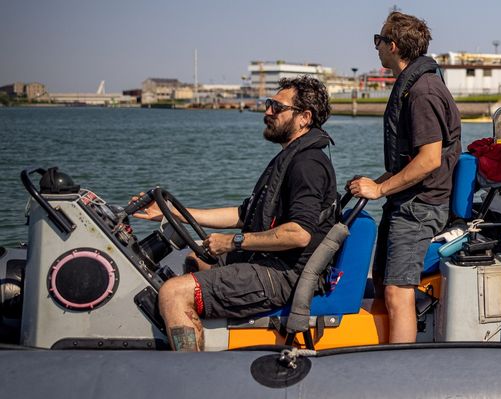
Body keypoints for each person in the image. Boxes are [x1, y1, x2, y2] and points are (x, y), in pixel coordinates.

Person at [142, 76, 338, 351]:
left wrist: (233, 242)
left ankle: (188, 369)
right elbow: (244, 214)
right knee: (195, 258)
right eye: (268, 103)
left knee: (172, 292)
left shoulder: (307, 164)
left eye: (277, 107)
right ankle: (203, 335)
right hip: (268, 261)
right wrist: (174, 213)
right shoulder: (289, 157)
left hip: (285, 275)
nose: (267, 111)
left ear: (304, 118)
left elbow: (299, 234)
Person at [345, 11, 460, 344]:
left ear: (392, 45)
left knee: (398, 291)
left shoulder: (423, 92)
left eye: (378, 41)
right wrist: (374, 183)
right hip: (406, 202)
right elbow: (409, 159)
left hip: (420, 206)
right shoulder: (414, 85)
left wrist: (380, 189)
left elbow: (429, 160)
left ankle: (400, 368)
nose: (377, 47)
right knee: (384, 284)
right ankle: (380, 353)